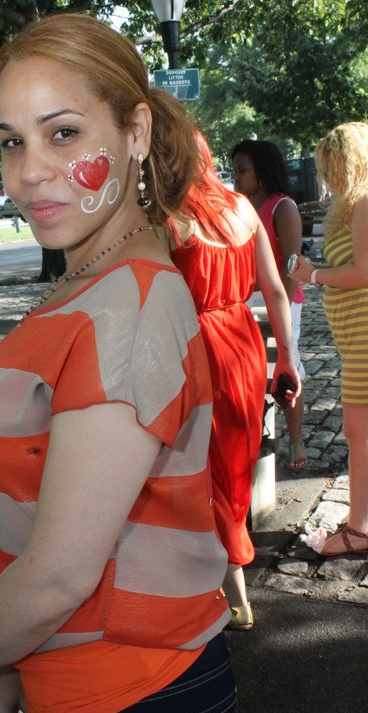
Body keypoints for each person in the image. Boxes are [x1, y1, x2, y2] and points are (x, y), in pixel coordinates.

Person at [0, 13, 236, 713]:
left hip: (127, 704)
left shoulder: (127, 302)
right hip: (96, 694)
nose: (28, 173)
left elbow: (61, 573)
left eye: (63, 133)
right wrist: (11, 655)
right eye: (11, 141)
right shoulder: (100, 276)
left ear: (135, 132)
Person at [168, 130, 300, 631]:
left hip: (194, 346)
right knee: (233, 465)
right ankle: (226, 579)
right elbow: (276, 290)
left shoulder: (168, 219)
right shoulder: (244, 209)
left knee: (208, 469)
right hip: (243, 344)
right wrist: (286, 359)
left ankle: (232, 592)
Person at [290, 121, 368, 556]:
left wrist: (314, 275)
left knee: (358, 431)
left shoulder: (364, 203)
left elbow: (365, 272)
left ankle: (359, 532)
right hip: (356, 338)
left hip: (365, 338)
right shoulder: (354, 204)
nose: (326, 175)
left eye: (330, 165)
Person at [231, 139, 306, 470]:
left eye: (242, 170)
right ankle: (258, 434)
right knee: (253, 371)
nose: (235, 178)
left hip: (282, 301)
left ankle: (296, 439)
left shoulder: (282, 206)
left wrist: (282, 312)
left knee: (287, 370)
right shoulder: (241, 206)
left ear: (261, 171)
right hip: (248, 300)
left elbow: (292, 267)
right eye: (235, 170)